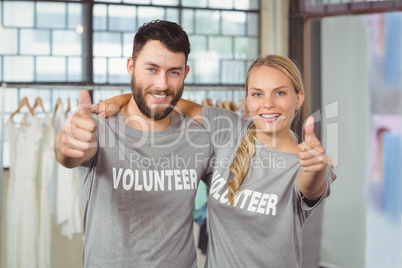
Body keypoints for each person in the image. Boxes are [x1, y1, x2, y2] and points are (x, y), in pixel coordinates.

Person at [95, 54, 335, 267]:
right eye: (257, 94)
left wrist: (315, 168)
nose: (268, 103)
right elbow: (164, 101)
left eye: (280, 93)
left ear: (299, 98)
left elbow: (311, 187)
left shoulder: (306, 162)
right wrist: (121, 99)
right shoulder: (227, 129)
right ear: (247, 100)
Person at [54, 20, 213, 267]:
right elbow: (69, 155)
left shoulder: (200, 137)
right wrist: (68, 146)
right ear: (131, 66)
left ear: (185, 73)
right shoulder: (100, 125)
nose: (162, 84)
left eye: (173, 72)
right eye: (151, 69)